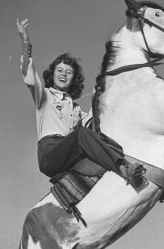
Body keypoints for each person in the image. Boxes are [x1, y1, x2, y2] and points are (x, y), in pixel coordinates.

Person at [16, 18, 144, 184]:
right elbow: (29, 75)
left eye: (68, 72)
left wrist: (102, 93)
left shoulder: (75, 108)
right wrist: (25, 43)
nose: (63, 74)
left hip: (72, 151)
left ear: (73, 79)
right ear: (52, 74)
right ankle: (125, 170)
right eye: (60, 70)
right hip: (50, 154)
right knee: (81, 134)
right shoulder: (44, 96)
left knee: (105, 138)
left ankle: (148, 179)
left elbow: (96, 119)